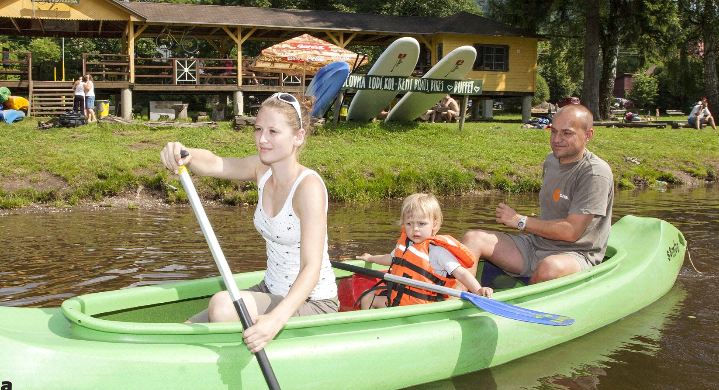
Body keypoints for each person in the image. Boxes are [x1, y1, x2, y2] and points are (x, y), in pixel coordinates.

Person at [160, 92, 337, 353]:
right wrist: (185, 153)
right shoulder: (262, 169)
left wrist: (275, 321)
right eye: (258, 129)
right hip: (270, 289)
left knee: (221, 306)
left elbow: (312, 267)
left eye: (273, 131)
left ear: (297, 137)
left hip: (312, 303)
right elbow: (217, 164)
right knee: (184, 332)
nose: (262, 139)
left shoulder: (308, 187)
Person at [461, 104, 614, 286]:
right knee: (473, 238)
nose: (557, 139)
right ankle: (453, 302)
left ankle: (519, 305)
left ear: (588, 135)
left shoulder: (595, 173)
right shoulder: (551, 160)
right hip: (535, 244)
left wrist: (520, 221)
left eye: (567, 133)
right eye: (554, 131)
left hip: (576, 253)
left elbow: (571, 232)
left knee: (550, 267)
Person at [355, 193, 492, 309]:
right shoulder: (405, 245)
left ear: (435, 224)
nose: (415, 229)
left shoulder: (437, 251)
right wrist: (371, 258)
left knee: (370, 297)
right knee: (367, 297)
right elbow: (390, 259)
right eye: (409, 223)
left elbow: (462, 274)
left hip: (424, 307)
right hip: (398, 302)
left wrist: (478, 290)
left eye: (421, 224)